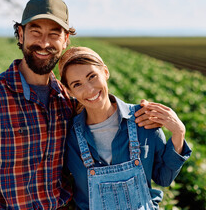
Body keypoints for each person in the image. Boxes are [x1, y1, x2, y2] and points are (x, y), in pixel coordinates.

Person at [0, 0, 155, 210]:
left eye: (54, 34)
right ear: (20, 35)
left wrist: (142, 113)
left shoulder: (68, 98)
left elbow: (103, 116)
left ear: (65, 41)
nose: (44, 43)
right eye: (35, 32)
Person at [58, 47, 192, 210]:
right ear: (69, 91)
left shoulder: (142, 119)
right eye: (77, 84)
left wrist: (179, 133)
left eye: (92, 77)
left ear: (105, 72)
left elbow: (163, 178)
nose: (89, 89)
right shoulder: (69, 136)